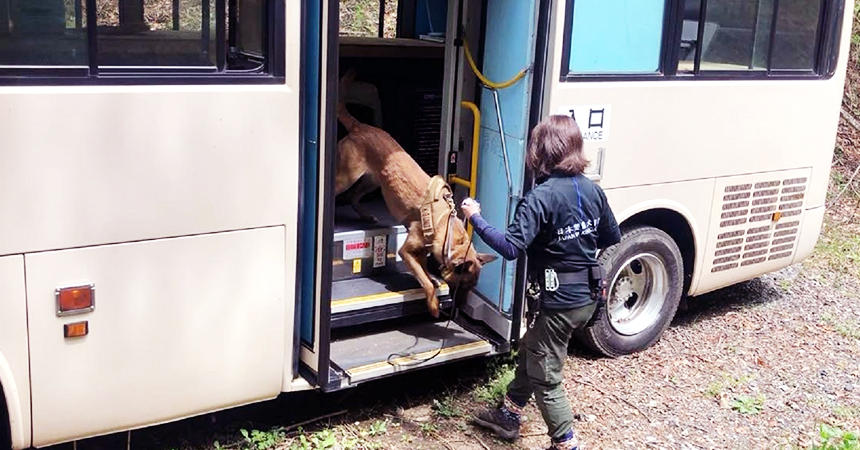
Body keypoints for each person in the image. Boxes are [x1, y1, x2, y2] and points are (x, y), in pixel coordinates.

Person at [462, 115, 621, 450]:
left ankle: (566, 443)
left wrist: (475, 217)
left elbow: (510, 248)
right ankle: (508, 414)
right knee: (533, 349)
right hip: (589, 296)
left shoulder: (541, 198)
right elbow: (611, 236)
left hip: (559, 302)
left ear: (541, 151)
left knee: (546, 376)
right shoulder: (592, 189)